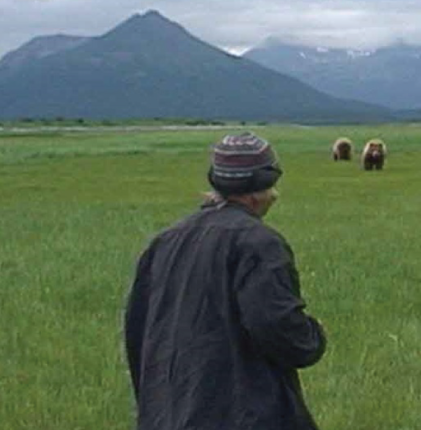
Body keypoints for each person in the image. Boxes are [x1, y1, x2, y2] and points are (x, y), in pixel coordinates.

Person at [124, 132, 327, 430]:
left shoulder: (165, 241)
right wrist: (313, 336)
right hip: (242, 415)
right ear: (263, 186)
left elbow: (138, 331)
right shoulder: (258, 244)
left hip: (167, 413)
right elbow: (277, 327)